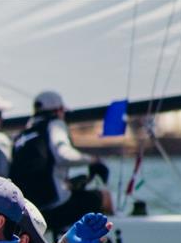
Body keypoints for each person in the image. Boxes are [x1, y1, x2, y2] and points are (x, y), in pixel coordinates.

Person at [10, 90, 113, 233]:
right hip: (53, 210)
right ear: (58, 111)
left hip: (27, 213)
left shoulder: (21, 136)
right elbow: (64, 155)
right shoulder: (55, 124)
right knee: (104, 197)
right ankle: (113, 235)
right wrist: (93, 161)